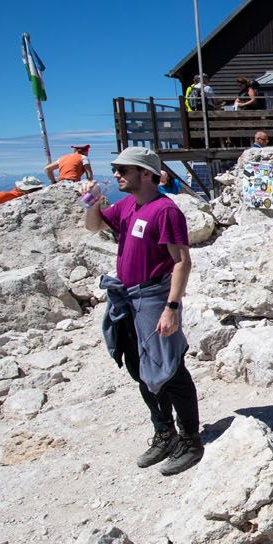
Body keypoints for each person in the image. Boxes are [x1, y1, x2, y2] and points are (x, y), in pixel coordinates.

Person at [83, 147, 203, 475]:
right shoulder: (127, 206)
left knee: (169, 368)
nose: (117, 174)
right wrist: (91, 203)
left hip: (153, 297)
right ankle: (164, 432)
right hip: (127, 296)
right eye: (116, 168)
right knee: (138, 367)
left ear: (146, 173)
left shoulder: (165, 210)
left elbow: (181, 262)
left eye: (124, 169)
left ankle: (191, 439)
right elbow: (93, 227)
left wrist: (171, 307)